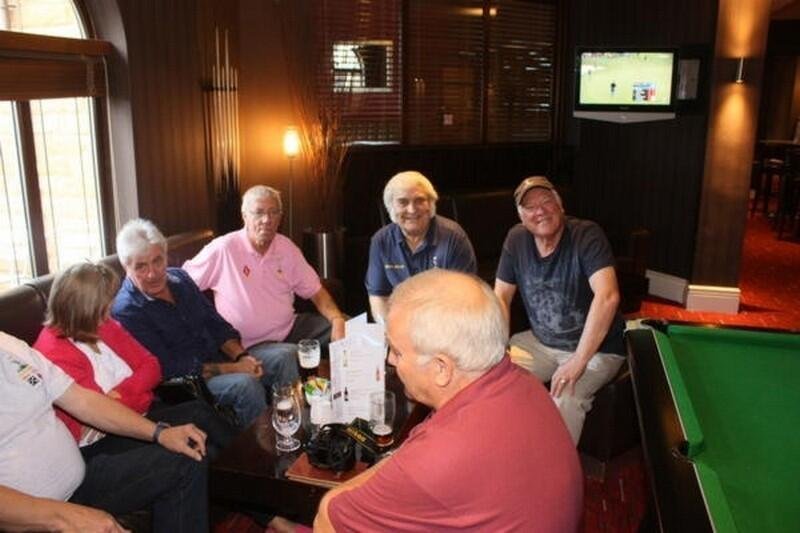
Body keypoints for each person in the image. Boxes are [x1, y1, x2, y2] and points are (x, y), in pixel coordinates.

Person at [313, 270, 582, 532]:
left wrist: (400, 467)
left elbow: (328, 517)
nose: (390, 360)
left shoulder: (439, 456)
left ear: (441, 368)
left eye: (397, 351)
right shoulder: (526, 381)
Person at [0, 330, 208, 533]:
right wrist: (61, 518)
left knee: (186, 458)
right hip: (31, 517)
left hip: (81, 482)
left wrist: (159, 433)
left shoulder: (9, 345)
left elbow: (82, 401)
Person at [34, 262, 234, 457]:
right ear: (82, 309)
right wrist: (139, 392)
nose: (108, 315)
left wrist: (121, 393)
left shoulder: (101, 324)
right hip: (103, 439)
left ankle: (246, 465)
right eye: (102, 309)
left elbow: (152, 365)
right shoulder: (54, 353)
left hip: (142, 414)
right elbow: (102, 413)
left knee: (201, 415)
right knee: (197, 445)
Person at [111, 218, 295, 429]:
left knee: (286, 355)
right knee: (246, 385)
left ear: (165, 255)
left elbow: (216, 324)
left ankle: (291, 427)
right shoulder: (127, 310)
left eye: (158, 261)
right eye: (141, 267)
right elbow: (167, 367)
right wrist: (235, 368)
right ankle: (261, 446)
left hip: (221, 359)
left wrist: (242, 357)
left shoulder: (180, 279)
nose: (152, 273)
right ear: (126, 267)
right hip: (188, 383)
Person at [494, 176, 626, 443]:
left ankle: (552, 468)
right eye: (530, 207)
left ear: (560, 205)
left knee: (565, 397)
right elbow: (501, 296)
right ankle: (503, 447)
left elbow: (608, 296)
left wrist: (578, 361)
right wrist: (497, 346)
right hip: (540, 343)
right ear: (521, 216)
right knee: (491, 375)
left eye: (546, 202)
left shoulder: (586, 234)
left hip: (596, 348)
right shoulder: (516, 239)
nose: (540, 211)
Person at [183, 185, 346, 366]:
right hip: (246, 346)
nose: (267, 219)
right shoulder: (223, 249)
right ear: (245, 216)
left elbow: (316, 291)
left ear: (280, 218)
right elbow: (182, 283)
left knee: (351, 330)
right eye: (259, 212)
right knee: (288, 355)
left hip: (289, 329)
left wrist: (337, 319)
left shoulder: (286, 248)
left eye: (273, 212)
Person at [365, 171, 477, 323]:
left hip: (446, 321)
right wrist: (388, 328)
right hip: (402, 324)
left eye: (419, 200)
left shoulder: (454, 238)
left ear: (430, 205)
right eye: (403, 202)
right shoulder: (380, 241)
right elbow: (379, 297)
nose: (412, 210)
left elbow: (464, 297)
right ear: (391, 206)